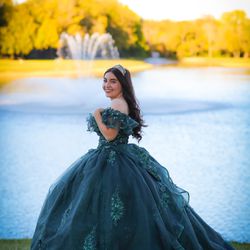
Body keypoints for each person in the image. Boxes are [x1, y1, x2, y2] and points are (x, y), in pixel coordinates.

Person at [30, 65, 235, 250]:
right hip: (112, 158)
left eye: (113, 81)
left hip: (114, 160)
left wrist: (96, 115)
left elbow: (110, 136)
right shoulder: (119, 102)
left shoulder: (118, 104)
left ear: (122, 85)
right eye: (105, 80)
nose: (107, 85)